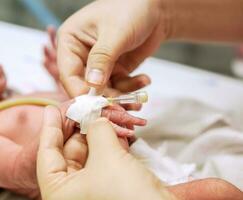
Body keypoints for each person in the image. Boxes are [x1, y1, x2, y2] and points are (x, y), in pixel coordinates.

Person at [37, 106, 243, 200]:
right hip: (88, 176)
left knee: (217, 191)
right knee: (216, 192)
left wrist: (71, 94)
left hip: (121, 174)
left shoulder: (18, 95)